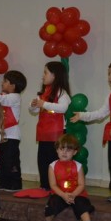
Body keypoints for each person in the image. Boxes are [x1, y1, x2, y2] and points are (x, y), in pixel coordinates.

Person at [40, 134, 99, 221]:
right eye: (62, 149)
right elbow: (53, 185)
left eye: (68, 150)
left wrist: (73, 195)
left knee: (82, 203)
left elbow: (81, 184)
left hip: (76, 193)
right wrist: (63, 195)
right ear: (57, 150)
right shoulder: (52, 166)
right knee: (52, 203)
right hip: (59, 193)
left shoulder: (78, 166)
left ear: (75, 152)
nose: (64, 152)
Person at [29, 61, 71, 190]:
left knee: (55, 161)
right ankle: (44, 185)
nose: (43, 76)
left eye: (45, 72)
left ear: (55, 75)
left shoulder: (62, 92)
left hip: (57, 133)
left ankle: (56, 187)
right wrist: (33, 105)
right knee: (43, 160)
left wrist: (44, 104)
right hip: (43, 132)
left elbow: (63, 108)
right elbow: (34, 110)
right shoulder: (43, 93)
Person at [71, 63, 111, 193]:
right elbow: (101, 113)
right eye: (109, 74)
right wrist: (82, 115)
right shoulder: (110, 95)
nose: (110, 77)